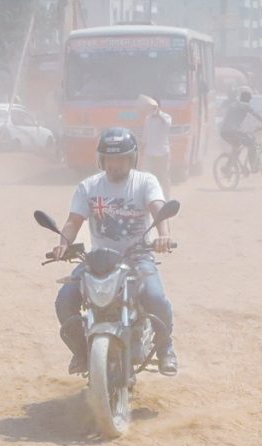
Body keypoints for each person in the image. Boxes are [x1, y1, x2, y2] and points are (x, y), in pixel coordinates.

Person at [52, 127, 178, 376]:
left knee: (155, 297)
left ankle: (165, 349)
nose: (115, 165)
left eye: (120, 158)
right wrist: (64, 243)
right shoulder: (89, 187)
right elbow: (73, 221)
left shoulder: (145, 181)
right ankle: (81, 351)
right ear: (102, 160)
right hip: (99, 259)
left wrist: (163, 236)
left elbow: (158, 209)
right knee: (65, 300)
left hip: (137, 256)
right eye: (110, 159)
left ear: (132, 159)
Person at [220, 90, 262, 168]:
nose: (249, 101)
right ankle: (253, 165)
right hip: (232, 132)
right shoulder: (245, 105)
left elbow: (237, 119)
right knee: (251, 144)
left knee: (237, 147)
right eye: (249, 99)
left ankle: (227, 167)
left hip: (224, 131)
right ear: (246, 99)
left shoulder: (235, 104)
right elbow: (256, 115)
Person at [140, 97, 173, 198]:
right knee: (146, 177)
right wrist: (142, 148)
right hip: (149, 153)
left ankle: (167, 199)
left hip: (162, 153)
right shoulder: (147, 119)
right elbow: (145, 135)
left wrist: (159, 115)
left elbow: (167, 126)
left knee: (164, 177)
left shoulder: (166, 117)